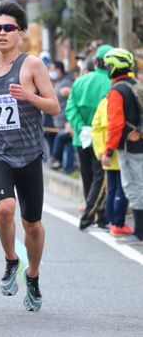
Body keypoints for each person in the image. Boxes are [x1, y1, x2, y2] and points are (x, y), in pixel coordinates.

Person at [0, 0, 59, 313]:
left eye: (8, 28)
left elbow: (54, 106)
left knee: (33, 225)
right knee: (6, 208)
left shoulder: (32, 65)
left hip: (29, 153)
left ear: (20, 33)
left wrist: (30, 96)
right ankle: (12, 259)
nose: (1, 33)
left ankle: (32, 275)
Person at [65, 44, 114, 229]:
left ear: (96, 61)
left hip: (81, 137)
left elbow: (70, 108)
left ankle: (93, 211)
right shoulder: (112, 84)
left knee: (86, 176)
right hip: (102, 138)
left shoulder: (80, 81)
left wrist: (80, 128)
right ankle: (96, 215)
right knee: (101, 179)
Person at [100, 48, 143, 243]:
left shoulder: (117, 90)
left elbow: (115, 124)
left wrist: (108, 151)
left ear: (115, 67)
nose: (108, 68)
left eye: (109, 65)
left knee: (133, 186)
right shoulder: (135, 84)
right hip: (138, 140)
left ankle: (140, 233)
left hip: (129, 146)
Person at [91, 92, 133, 236]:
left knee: (112, 188)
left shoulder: (103, 102)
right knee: (121, 188)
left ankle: (112, 223)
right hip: (117, 150)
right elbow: (115, 126)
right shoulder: (119, 102)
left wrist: (100, 151)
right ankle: (118, 223)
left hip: (105, 151)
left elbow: (95, 128)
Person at [48, 61, 74, 173]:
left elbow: (73, 101)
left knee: (64, 141)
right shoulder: (59, 82)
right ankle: (64, 167)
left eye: (52, 69)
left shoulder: (67, 83)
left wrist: (69, 120)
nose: (51, 72)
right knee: (66, 144)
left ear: (58, 70)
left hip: (67, 122)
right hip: (60, 122)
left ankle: (62, 164)